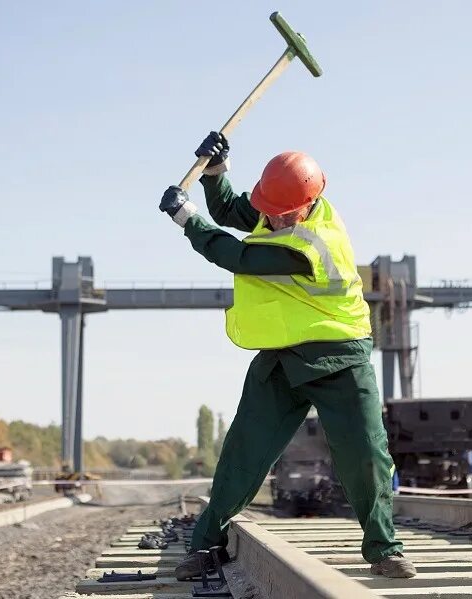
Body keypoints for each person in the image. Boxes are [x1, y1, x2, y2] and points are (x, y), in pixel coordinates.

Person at [158, 132, 415, 579]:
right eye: (269, 212)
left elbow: (237, 255)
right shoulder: (279, 204)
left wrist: (187, 219)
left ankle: (384, 548)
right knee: (245, 448)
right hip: (283, 353)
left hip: (339, 354)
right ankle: (205, 546)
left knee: (365, 454)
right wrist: (216, 173)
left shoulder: (311, 244)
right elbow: (230, 210)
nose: (272, 221)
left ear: (308, 204)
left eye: (281, 216)